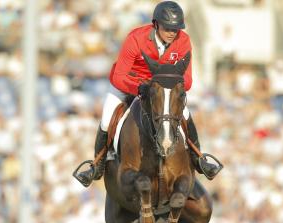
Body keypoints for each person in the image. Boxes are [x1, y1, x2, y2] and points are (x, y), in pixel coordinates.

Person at [75, 1, 222, 186]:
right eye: (167, 27)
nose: (172, 32)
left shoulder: (183, 41)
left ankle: (199, 158)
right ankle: (96, 165)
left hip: (160, 89)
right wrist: (140, 88)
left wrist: (162, 87)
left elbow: (188, 81)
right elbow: (119, 76)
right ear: (156, 24)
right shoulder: (136, 38)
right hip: (128, 83)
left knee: (185, 114)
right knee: (106, 119)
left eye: (175, 28)